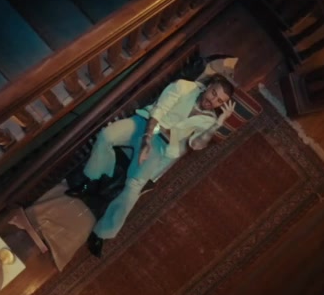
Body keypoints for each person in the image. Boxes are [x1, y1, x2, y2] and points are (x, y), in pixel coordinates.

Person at [68, 74, 236, 257]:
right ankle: (91, 182)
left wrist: (216, 125)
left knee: (134, 187)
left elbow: (196, 144)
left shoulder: (209, 120)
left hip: (160, 145)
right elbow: (159, 110)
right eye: (213, 93)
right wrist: (146, 139)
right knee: (106, 136)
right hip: (144, 124)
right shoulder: (184, 87)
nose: (212, 101)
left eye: (219, 101)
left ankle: (102, 233)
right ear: (209, 86)